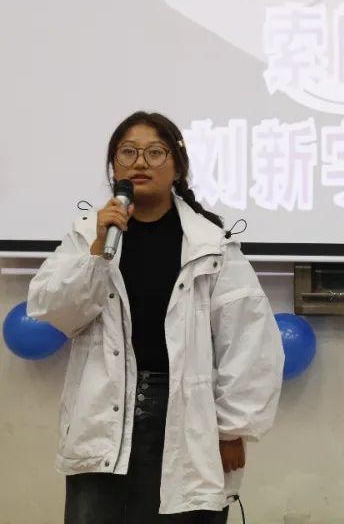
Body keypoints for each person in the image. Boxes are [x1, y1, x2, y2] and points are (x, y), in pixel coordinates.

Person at [28, 111, 284, 522]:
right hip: (103, 414)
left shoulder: (210, 245)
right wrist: (96, 253)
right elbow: (55, 311)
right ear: (114, 168)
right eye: (128, 152)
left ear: (177, 167)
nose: (140, 163)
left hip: (185, 414)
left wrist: (232, 428)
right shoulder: (87, 235)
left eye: (155, 152)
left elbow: (247, 339)